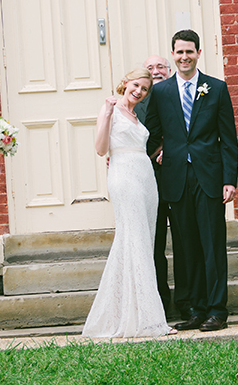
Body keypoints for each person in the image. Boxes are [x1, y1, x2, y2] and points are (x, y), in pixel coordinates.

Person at [144, 30, 238, 332]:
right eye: (179, 52)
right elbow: (151, 132)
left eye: (189, 52)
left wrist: (229, 179)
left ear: (198, 53)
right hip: (176, 180)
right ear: (172, 55)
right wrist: (155, 152)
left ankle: (217, 310)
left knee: (212, 245)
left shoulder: (217, 88)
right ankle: (196, 308)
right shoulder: (160, 93)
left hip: (209, 178)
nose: (184, 57)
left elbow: (228, 139)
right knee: (186, 248)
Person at [82, 68, 174, 338]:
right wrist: (108, 114)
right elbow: (100, 149)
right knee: (134, 241)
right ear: (125, 83)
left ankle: (135, 314)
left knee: (143, 242)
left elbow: (142, 144)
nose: (140, 92)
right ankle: (149, 320)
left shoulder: (136, 115)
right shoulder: (109, 108)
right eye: (136, 85)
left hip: (145, 177)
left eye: (145, 89)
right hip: (124, 176)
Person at [134, 55, 190, 319]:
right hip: (147, 181)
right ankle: (159, 303)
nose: (155, 71)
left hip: (181, 180)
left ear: (169, 71)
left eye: (160, 67)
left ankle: (187, 300)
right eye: (150, 68)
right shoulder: (137, 102)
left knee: (183, 241)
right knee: (154, 245)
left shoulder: (184, 96)